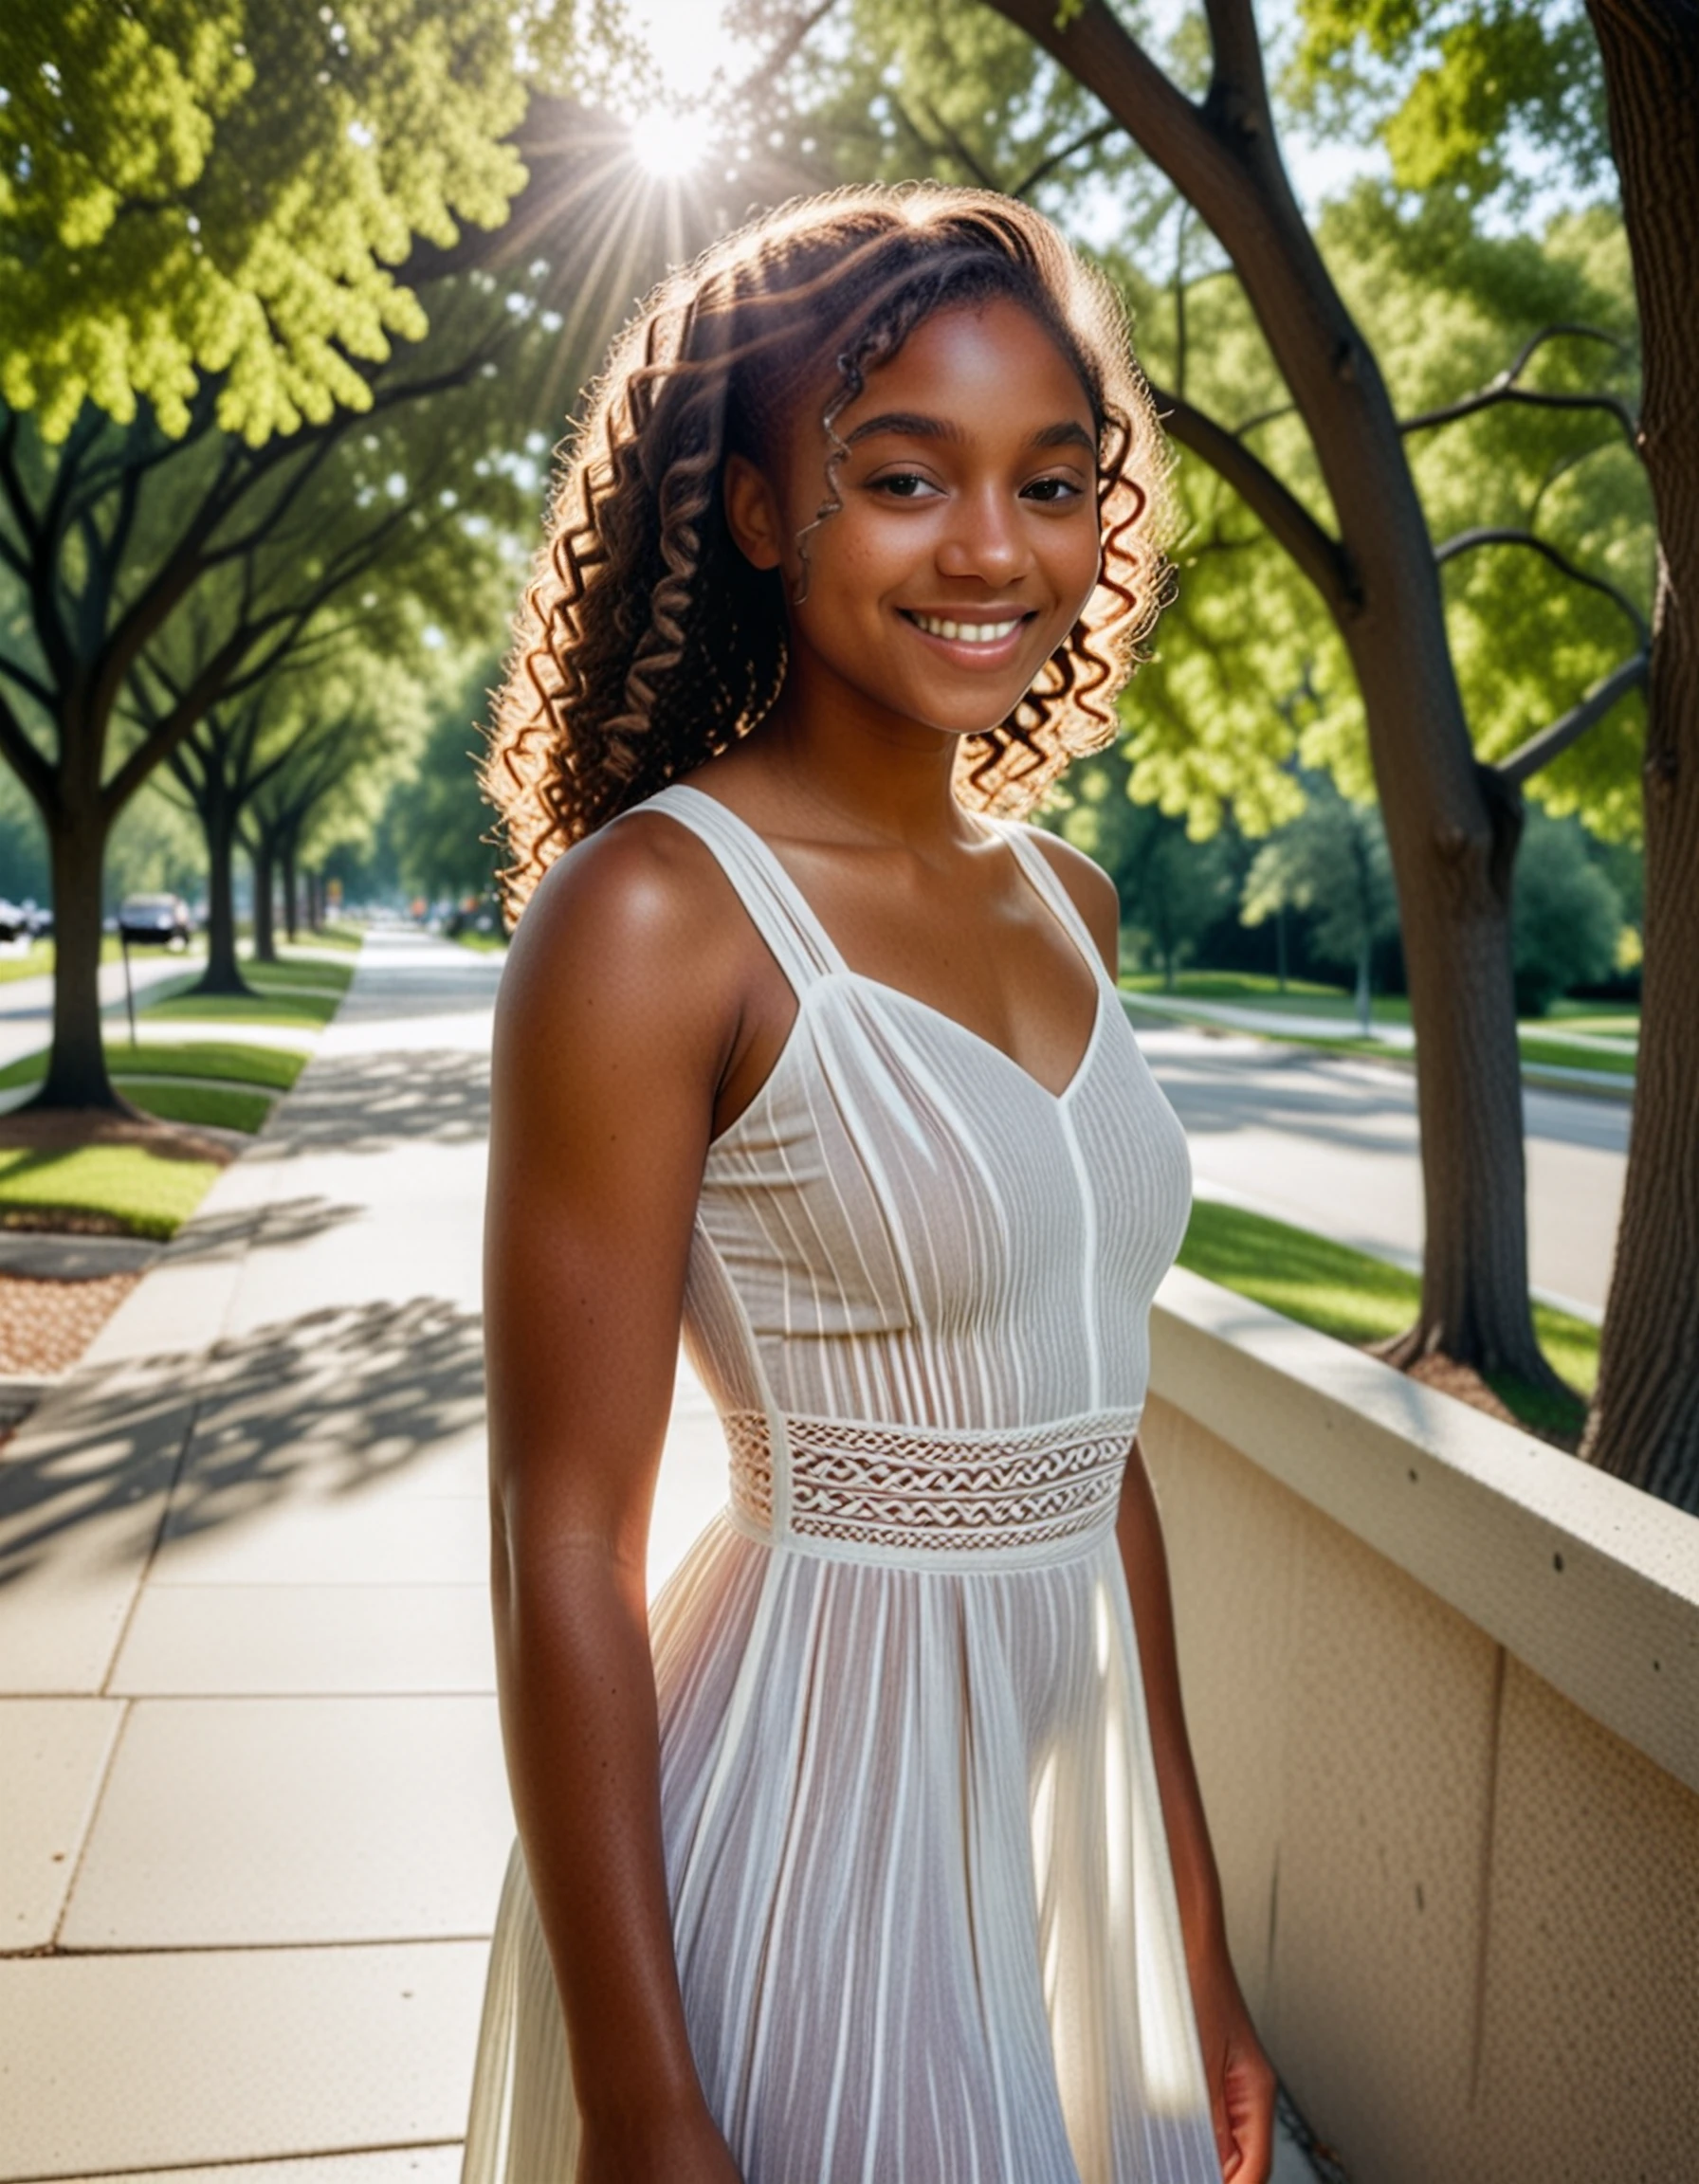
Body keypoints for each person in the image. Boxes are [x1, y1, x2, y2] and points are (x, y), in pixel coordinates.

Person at [461, 183, 1276, 2184]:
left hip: (1043, 1837)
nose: (993, 549)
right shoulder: (653, 918)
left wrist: (1191, 1934)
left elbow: (1101, 1451)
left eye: (1050, 479)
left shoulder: (1066, 902)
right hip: (808, 1815)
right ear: (752, 511)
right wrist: (644, 2104)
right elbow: (556, 1532)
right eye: (904, 477)